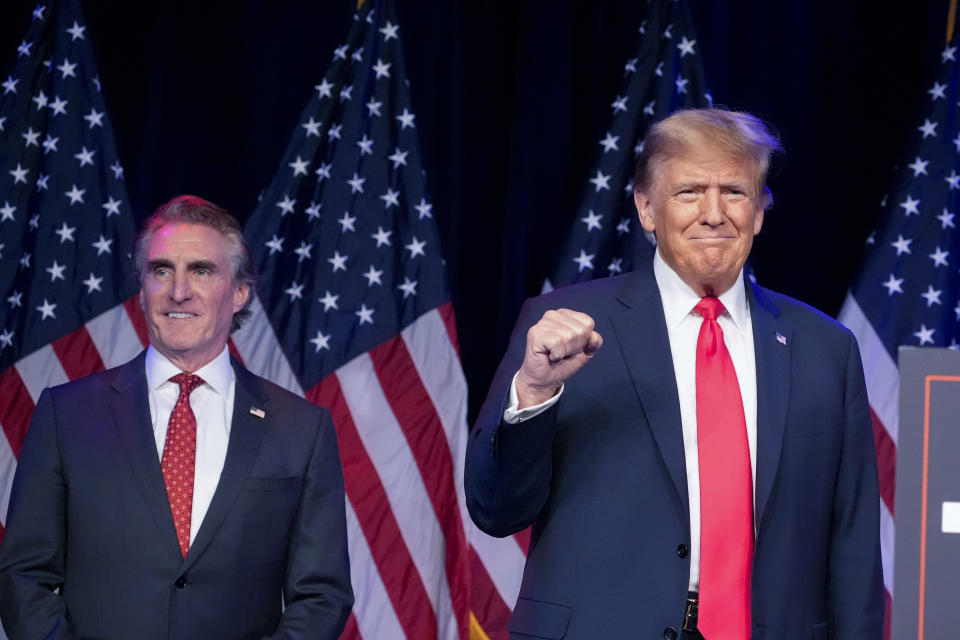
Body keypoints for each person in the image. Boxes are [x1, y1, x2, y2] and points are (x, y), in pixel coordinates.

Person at [465, 109, 883, 640]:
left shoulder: (827, 349)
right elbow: (495, 511)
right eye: (689, 192)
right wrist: (535, 388)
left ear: (759, 212)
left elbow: (852, 547)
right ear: (646, 208)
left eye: (734, 191)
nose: (714, 214)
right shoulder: (564, 329)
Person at [0, 196, 353, 639]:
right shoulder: (65, 414)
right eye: (161, 270)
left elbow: (322, 595)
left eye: (202, 270)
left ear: (240, 292)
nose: (178, 291)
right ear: (143, 287)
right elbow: (23, 575)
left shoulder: (301, 428)